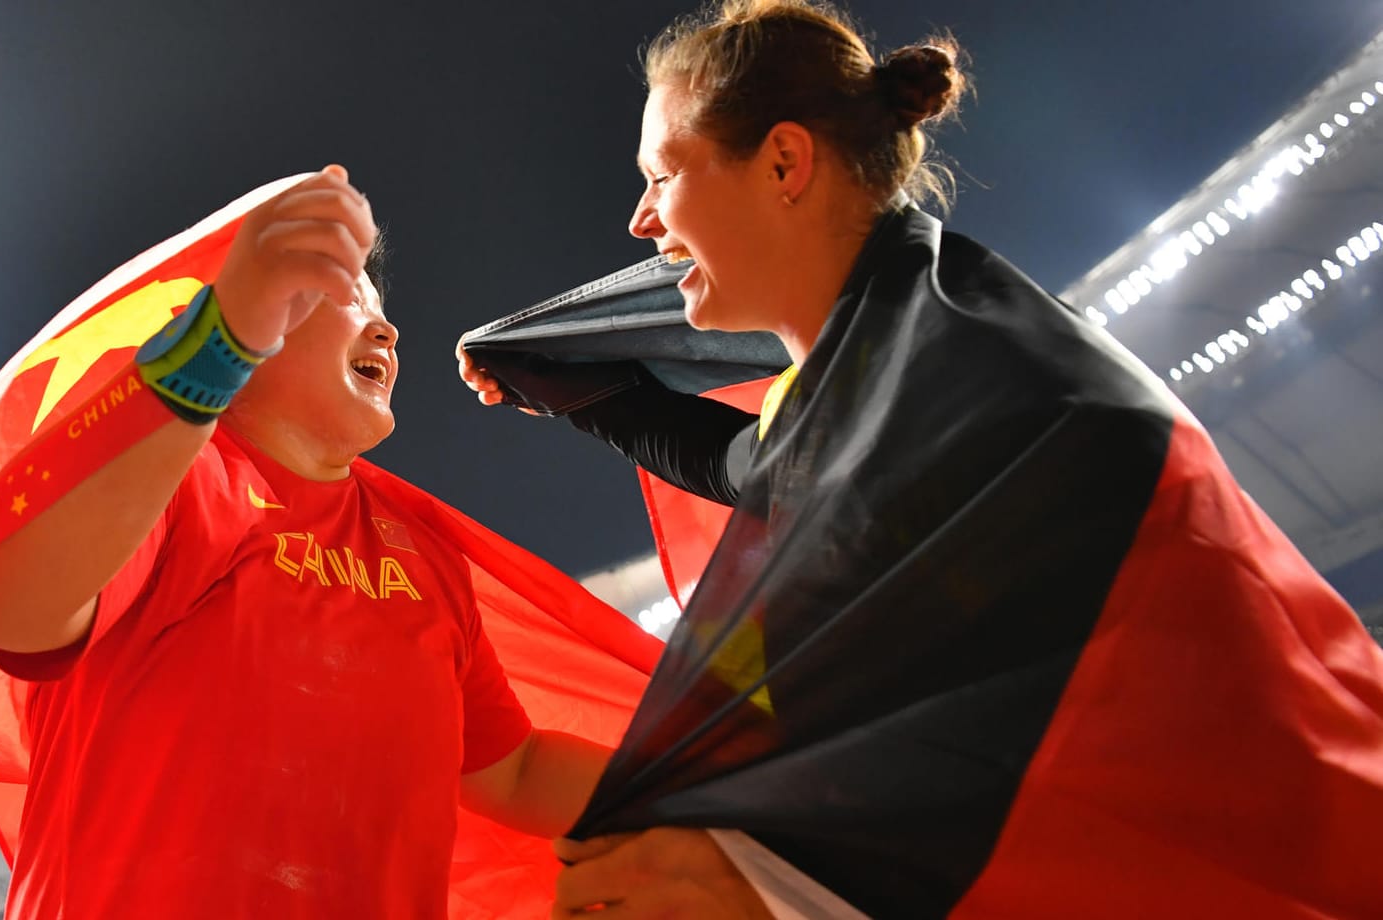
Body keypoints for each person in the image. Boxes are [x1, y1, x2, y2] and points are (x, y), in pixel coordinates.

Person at [461, 2, 1383, 917]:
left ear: (784, 162)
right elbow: (759, 467)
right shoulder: (894, 376)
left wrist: (777, 890)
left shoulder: (981, 392)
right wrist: (589, 395)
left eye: (662, 175)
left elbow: (1075, 753)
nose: (639, 221)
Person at [0, 165, 612, 918]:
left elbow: (515, 773)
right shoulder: (168, 483)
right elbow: (3, 598)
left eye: (383, 312)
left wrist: (741, 793)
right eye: (344, 299)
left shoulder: (423, 550)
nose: (388, 330)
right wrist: (212, 346)